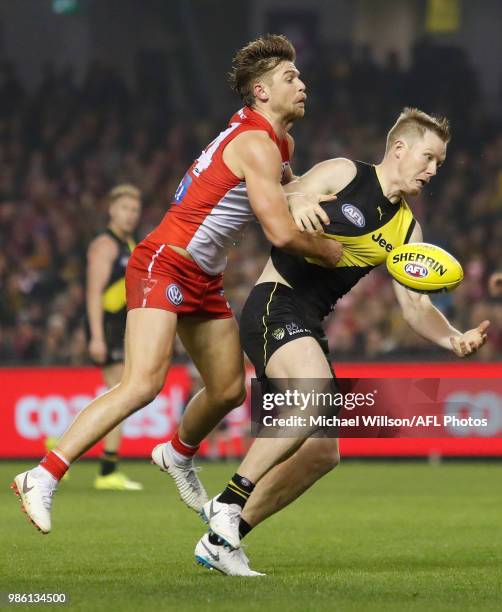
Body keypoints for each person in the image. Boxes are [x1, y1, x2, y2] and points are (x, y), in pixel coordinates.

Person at [11, 34, 342, 557]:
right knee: (142, 383)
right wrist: (332, 252)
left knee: (230, 388)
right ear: (260, 91)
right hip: (166, 260)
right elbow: (279, 232)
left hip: (203, 277)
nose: (302, 84)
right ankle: (43, 476)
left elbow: (288, 188)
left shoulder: (280, 144)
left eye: (299, 77)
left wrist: (312, 194)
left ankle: (176, 453)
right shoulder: (255, 143)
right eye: (289, 78)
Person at [193, 108, 490, 574]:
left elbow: (414, 307)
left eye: (440, 164)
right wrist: (297, 200)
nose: (434, 170)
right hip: (275, 302)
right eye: (429, 158)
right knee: (313, 397)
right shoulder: (345, 172)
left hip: (308, 322)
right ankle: (228, 501)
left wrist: (452, 339)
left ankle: (220, 540)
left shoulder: (407, 231)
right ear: (400, 149)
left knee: (322, 452)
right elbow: (275, 193)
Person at [86, 184, 143, 491]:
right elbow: (94, 292)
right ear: (111, 210)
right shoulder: (104, 246)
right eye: (125, 208)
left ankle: (63, 441)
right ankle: (108, 471)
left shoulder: (129, 243)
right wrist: (96, 336)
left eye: (135, 209)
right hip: (107, 327)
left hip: (122, 326)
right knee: (122, 393)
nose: (130, 215)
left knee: (119, 394)